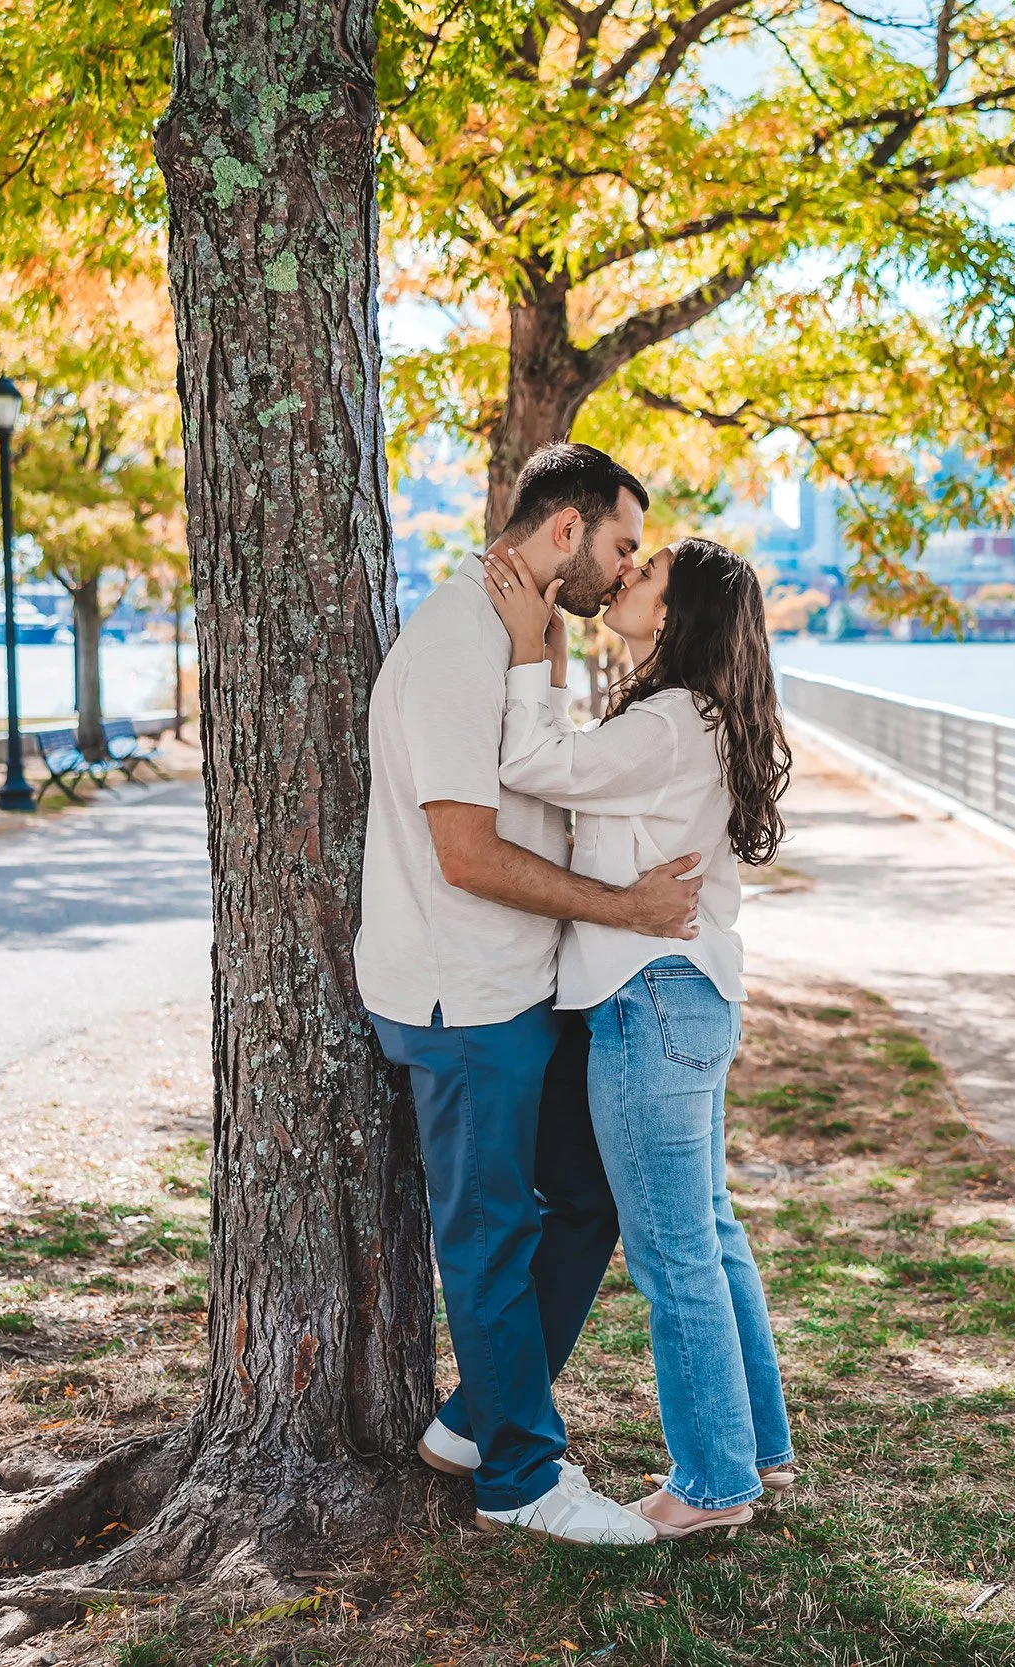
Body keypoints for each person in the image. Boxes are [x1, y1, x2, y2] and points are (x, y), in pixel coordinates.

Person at [356, 442, 699, 1548]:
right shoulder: (460, 643)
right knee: (492, 1234)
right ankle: (518, 1475)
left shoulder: (525, 636)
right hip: (461, 997)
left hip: (520, 988)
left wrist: (544, 667)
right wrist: (626, 907)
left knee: (588, 1194)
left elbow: (542, 776)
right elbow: (465, 851)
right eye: (622, 544)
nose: (627, 565)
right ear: (565, 532)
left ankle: (471, 1419)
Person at [480, 533, 795, 1540]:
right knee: (707, 1231)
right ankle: (760, 1448)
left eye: (645, 571)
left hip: (648, 999)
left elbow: (535, 761)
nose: (624, 576)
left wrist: (532, 647)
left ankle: (711, 1482)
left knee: (673, 1256)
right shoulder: (689, 717)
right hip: (685, 998)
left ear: (679, 612)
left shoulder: (670, 720)